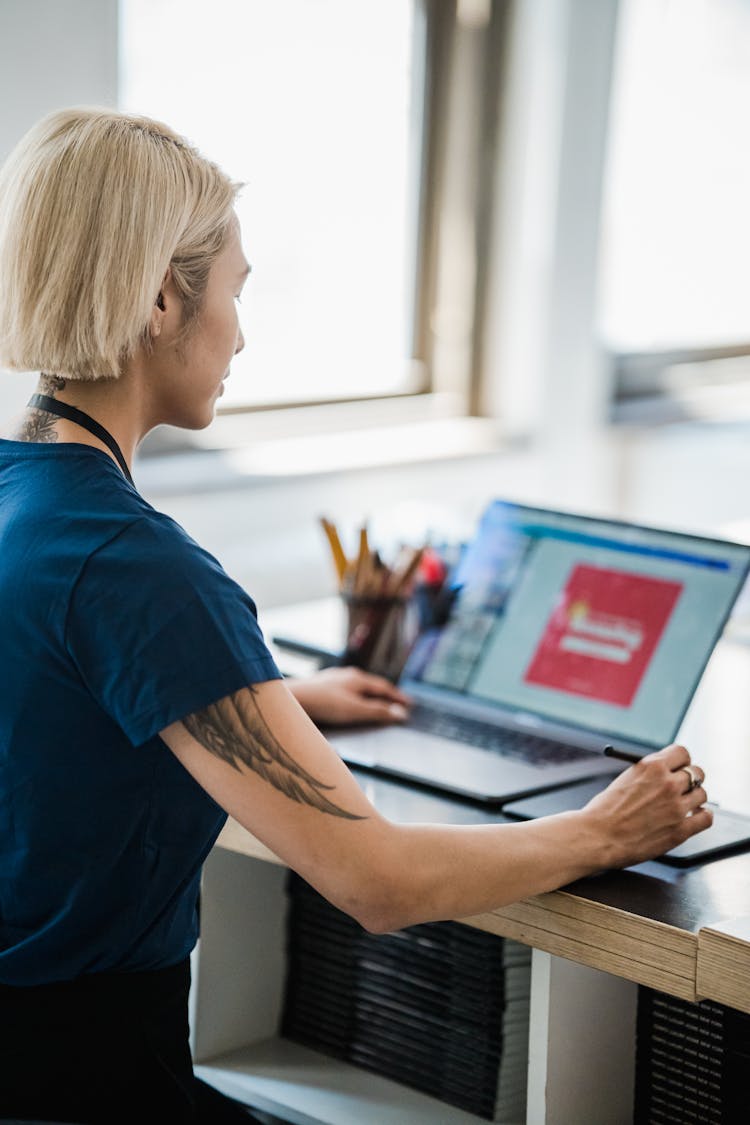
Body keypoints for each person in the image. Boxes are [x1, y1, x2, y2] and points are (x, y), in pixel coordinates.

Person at [0, 108, 711, 1125]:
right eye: (236, 290)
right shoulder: (141, 567)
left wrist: (273, 700)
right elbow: (376, 879)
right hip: (95, 1084)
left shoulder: (23, 500)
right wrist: (603, 829)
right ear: (162, 297)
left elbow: (49, 696)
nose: (240, 330)